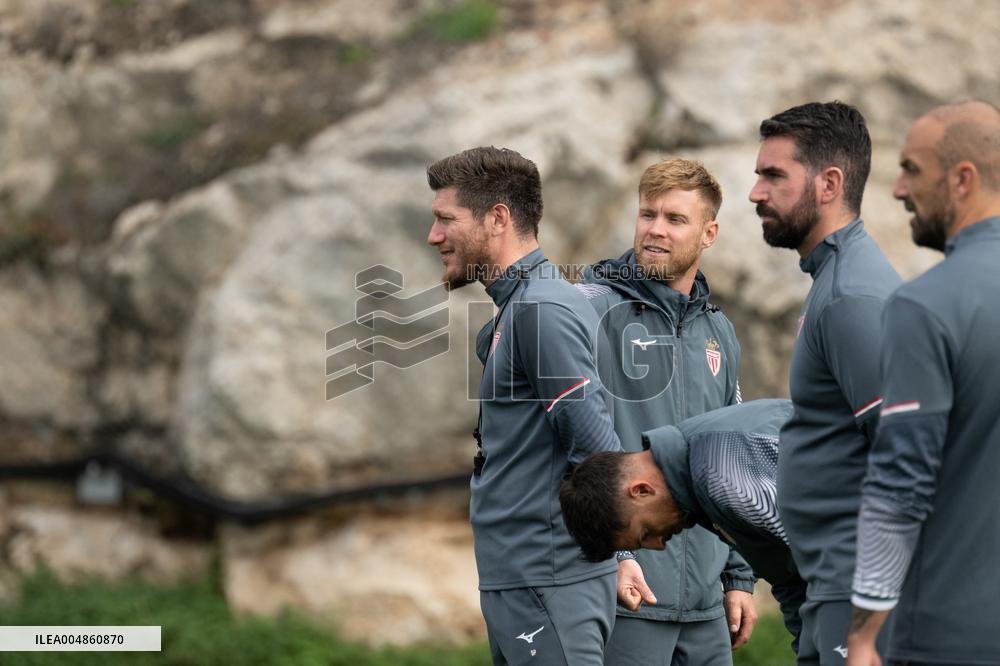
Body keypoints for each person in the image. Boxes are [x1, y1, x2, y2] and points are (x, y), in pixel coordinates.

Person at [426, 146, 622, 665]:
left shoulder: (541, 310)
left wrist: (619, 552)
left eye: (446, 219)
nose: (434, 236)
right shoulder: (514, 312)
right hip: (522, 582)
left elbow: (597, 450)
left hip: (548, 580)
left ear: (497, 218)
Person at [578, 158, 758, 665]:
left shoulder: (719, 332)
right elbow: (568, 444)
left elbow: (733, 459)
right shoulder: (589, 309)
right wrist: (614, 554)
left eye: (675, 219)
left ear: (709, 233)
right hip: (626, 596)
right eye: (647, 214)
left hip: (706, 610)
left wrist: (738, 576)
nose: (655, 229)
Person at [846, 101, 1000, 666]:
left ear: (962, 180)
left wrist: (864, 636)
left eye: (911, 169)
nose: (897, 189)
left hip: (949, 636)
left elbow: (899, 488)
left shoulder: (926, 305)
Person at [748, 101, 902, 665]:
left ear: (829, 183)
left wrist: (871, 615)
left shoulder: (852, 297)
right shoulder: (831, 280)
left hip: (857, 590)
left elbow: (907, 451)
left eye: (773, 176)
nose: (755, 192)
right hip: (831, 586)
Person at [559, 399, 807, 654]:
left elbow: (838, 551)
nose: (659, 545)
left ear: (642, 490)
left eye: (645, 533)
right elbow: (789, 576)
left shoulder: (720, 475)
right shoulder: (693, 476)